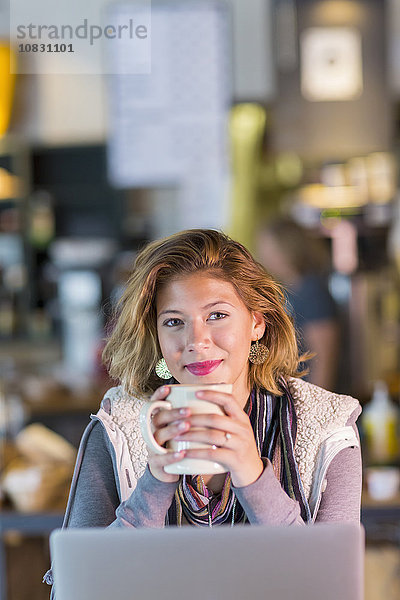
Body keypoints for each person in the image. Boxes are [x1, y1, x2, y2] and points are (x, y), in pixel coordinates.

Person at [44, 229, 361, 593]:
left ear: (257, 323)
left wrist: (253, 476)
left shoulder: (326, 427)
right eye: (174, 322)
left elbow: (328, 587)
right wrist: (155, 482)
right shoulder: (119, 427)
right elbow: (79, 589)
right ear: (158, 336)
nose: (196, 341)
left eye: (217, 315)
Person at [256, 218, 340, 391]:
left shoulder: (312, 291)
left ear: (287, 249)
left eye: (269, 248)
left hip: (309, 397)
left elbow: (324, 357)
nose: (263, 255)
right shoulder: (288, 290)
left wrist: (317, 407)